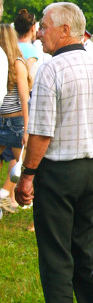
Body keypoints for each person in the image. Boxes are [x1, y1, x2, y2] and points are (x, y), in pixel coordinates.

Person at [14, 2, 93, 303]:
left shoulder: (51, 69)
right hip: (90, 167)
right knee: (89, 246)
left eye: (44, 27)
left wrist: (28, 174)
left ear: (65, 30)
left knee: (56, 249)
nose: (39, 32)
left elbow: (42, 133)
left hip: (58, 169)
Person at [0, 24, 31, 215]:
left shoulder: (18, 63)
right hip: (1, 119)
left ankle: (6, 195)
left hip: (16, 122)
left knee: (19, 163)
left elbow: (24, 98)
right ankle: (7, 198)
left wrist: (27, 128)